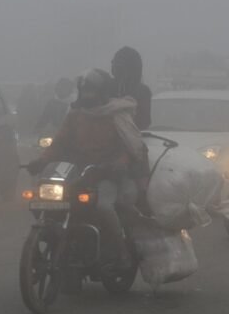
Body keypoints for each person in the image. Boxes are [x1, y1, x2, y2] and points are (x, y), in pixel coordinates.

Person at [27, 69, 148, 269]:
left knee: (104, 207)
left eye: (92, 92)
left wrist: (118, 163)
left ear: (102, 93)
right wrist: (41, 161)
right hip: (76, 174)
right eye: (85, 92)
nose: (87, 96)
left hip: (106, 174)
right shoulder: (74, 116)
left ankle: (121, 252)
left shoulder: (115, 116)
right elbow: (58, 143)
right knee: (44, 201)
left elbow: (129, 147)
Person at [111, 46, 152, 130]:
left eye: (121, 64)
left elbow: (143, 123)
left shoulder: (142, 92)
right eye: (115, 63)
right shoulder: (105, 86)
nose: (117, 68)